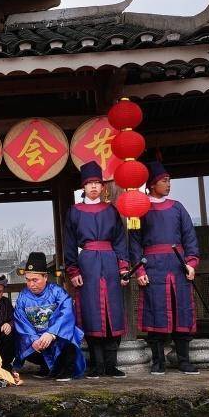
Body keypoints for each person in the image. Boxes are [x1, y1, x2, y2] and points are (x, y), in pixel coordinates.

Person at [130, 162, 201, 375]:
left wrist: (191, 263)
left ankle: (184, 360)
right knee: (155, 312)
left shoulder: (177, 207)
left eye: (169, 180)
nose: (168, 184)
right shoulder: (140, 209)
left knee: (182, 311)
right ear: (152, 184)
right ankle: (158, 362)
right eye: (164, 181)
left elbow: (189, 237)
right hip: (153, 267)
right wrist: (139, 271)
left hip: (177, 265)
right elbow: (134, 243)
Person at [64, 161, 130, 379]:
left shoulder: (111, 210)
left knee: (113, 312)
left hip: (110, 262)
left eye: (97, 183)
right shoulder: (74, 212)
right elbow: (69, 243)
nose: (93, 186)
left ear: (103, 187)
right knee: (91, 312)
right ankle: (97, 365)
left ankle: (111, 365)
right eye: (89, 183)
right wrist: (73, 271)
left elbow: (120, 240)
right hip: (88, 264)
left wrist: (123, 267)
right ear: (83, 187)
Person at [13, 252, 85, 380]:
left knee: (71, 332)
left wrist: (52, 333)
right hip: (37, 340)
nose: (31, 284)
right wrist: (34, 339)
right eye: (28, 280)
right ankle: (46, 367)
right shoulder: (23, 296)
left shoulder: (57, 292)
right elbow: (21, 320)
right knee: (21, 341)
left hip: (55, 337)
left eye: (35, 280)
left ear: (45, 277)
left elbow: (67, 313)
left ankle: (66, 369)